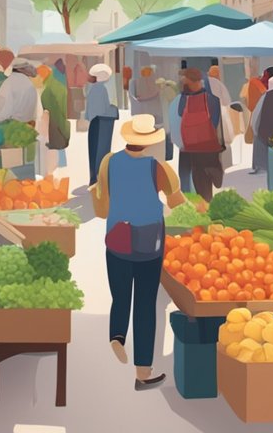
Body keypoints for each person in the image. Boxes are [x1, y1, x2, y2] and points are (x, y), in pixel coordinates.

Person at [89, 114, 184, 392]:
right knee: (145, 304)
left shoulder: (109, 162)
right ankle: (143, 373)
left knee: (120, 295)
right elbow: (176, 202)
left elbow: (102, 197)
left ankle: (117, 336)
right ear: (149, 142)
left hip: (117, 236)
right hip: (148, 241)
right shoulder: (159, 168)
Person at [168, 69, 226, 200]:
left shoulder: (180, 101)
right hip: (209, 146)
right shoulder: (213, 100)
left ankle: (199, 206)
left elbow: (176, 122)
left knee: (196, 182)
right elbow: (216, 123)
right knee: (206, 183)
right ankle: (214, 176)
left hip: (190, 147)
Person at [85, 63, 118, 186]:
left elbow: (90, 109)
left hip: (95, 122)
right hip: (102, 123)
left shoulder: (93, 88)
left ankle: (94, 178)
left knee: (94, 150)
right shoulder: (101, 89)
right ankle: (99, 178)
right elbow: (103, 108)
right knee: (101, 150)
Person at [39, 64, 71, 175]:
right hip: (61, 122)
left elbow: (46, 112)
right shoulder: (59, 86)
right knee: (59, 146)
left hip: (52, 124)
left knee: (51, 150)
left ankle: (51, 175)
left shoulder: (47, 91)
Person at [0, 57, 38, 125]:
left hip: (12, 129)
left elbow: (1, 113)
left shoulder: (10, 83)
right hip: (27, 129)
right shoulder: (30, 84)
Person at [243, 69, 269, 172]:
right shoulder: (260, 85)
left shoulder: (254, 83)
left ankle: (259, 165)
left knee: (258, 138)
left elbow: (251, 103)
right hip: (265, 114)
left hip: (257, 113)